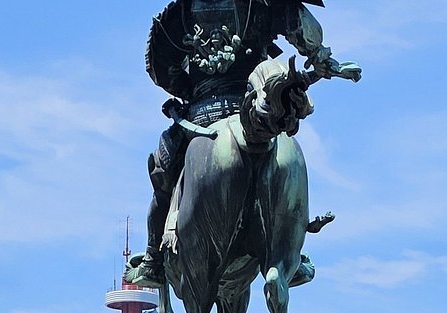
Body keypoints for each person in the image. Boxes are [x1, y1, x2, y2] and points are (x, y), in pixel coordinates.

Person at [127, 0, 360, 288]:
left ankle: (155, 260)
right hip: (255, 111)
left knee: (163, 171)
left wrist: (191, 90)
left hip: (202, 116)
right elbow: (303, 28)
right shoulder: (259, 6)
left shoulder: (178, 16)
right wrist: (324, 59)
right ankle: (289, 250)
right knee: (284, 154)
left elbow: (165, 73)